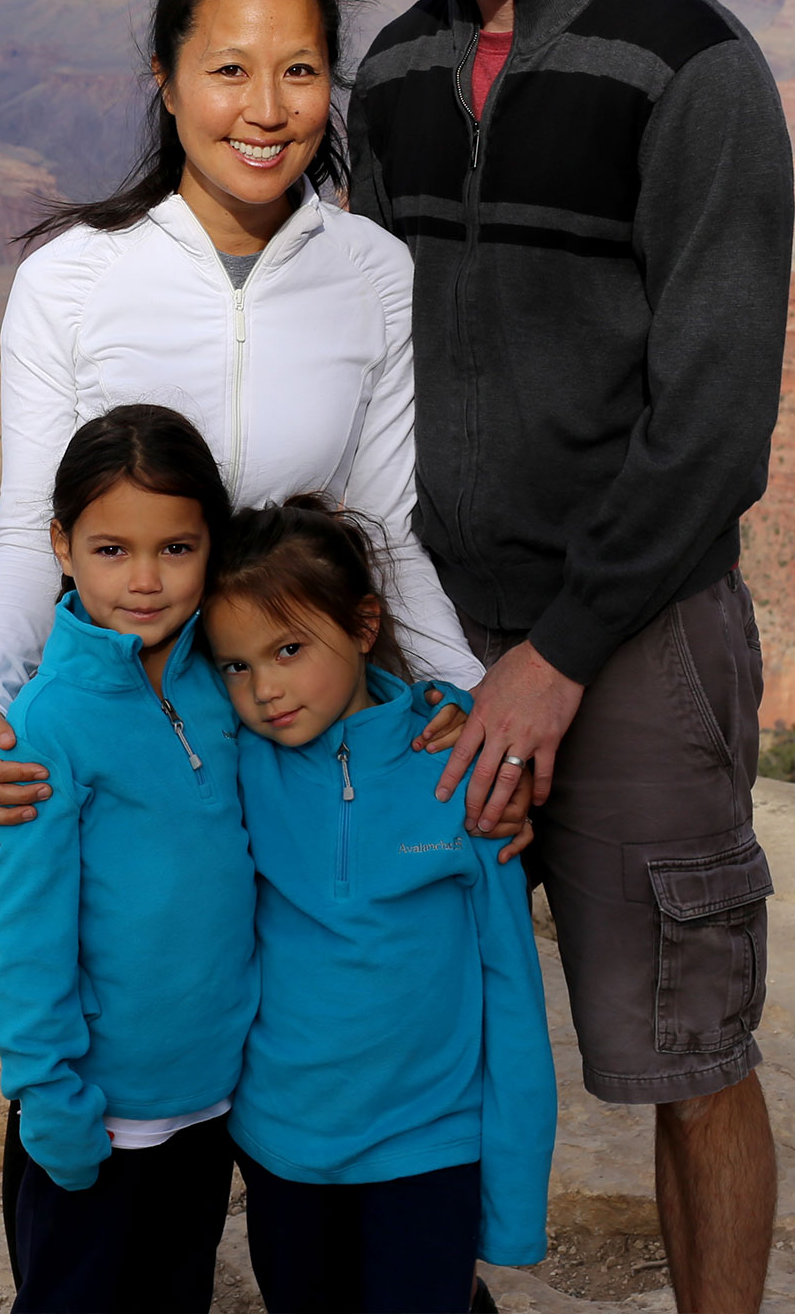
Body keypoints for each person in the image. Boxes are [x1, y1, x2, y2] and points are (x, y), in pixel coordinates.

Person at [344, 0, 795, 1314]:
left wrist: (559, 657)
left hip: (635, 646)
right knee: (419, 1047)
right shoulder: (385, 79)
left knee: (682, 1048)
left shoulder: (690, 71)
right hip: (425, 662)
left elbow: (714, 431)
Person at [0, 0, 484, 849]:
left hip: (302, 723)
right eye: (230, 71)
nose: (268, 111)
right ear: (166, 79)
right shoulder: (70, 281)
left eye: (301, 72)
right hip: (130, 732)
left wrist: (461, 694)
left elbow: (386, 529)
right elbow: (31, 533)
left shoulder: (373, 275)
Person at [205, 496, 555, 1314]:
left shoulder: (460, 769)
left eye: (290, 649)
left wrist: (513, 1203)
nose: (265, 689)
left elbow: (510, 984)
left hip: (428, 1148)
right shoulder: (239, 769)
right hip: (284, 1149)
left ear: (364, 626)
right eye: (236, 665)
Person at [0, 403, 253, 1313]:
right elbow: (28, 933)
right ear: (61, 544)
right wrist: (50, 1097)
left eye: (176, 549)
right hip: (91, 1119)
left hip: (205, 1107)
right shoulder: (48, 725)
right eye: (111, 550)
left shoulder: (225, 683)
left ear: (211, 545)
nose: (144, 579)